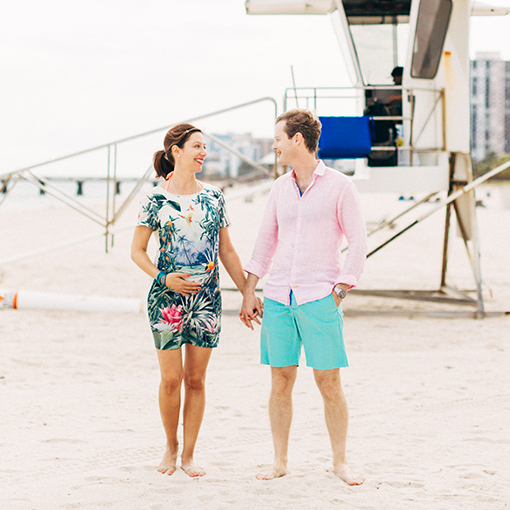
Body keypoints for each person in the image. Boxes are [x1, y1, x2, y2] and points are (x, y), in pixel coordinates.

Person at [239, 109, 368, 486]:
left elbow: (359, 243)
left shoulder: (341, 186)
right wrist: (250, 290)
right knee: (280, 380)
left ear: (298, 139)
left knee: (329, 383)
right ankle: (279, 461)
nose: (274, 145)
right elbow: (265, 242)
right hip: (278, 296)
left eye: (278, 138)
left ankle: (340, 462)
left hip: (319, 297)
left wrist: (341, 289)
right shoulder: (279, 187)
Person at [131, 123, 247, 478]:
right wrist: (163, 276)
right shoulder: (154, 199)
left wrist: (247, 292)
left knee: (196, 380)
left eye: (204, 147)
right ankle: (170, 447)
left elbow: (226, 249)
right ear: (176, 151)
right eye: (196, 146)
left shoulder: (214, 196)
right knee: (171, 379)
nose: (203, 153)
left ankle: (190, 455)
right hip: (166, 300)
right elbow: (137, 252)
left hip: (207, 301)